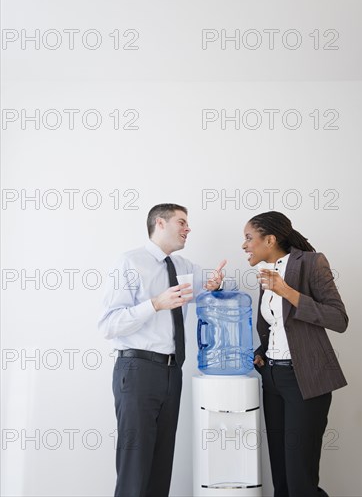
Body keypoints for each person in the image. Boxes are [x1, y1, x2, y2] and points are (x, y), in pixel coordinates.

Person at [99, 203, 226, 497]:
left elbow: (208, 289)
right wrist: (154, 304)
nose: (188, 229)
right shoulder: (129, 262)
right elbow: (108, 325)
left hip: (172, 372)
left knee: (161, 465)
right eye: (182, 222)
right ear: (160, 223)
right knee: (135, 465)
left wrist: (214, 285)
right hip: (137, 370)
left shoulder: (184, 267)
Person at [242, 211, 348, 497]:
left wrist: (287, 291)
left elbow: (339, 319)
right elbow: (278, 326)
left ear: (271, 239)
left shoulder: (311, 263)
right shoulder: (266, 274)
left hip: (306, 380)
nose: (244, 245)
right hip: (273, 377)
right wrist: (262, 353)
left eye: (249, 238)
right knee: (282, 477)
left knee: (300, 478)